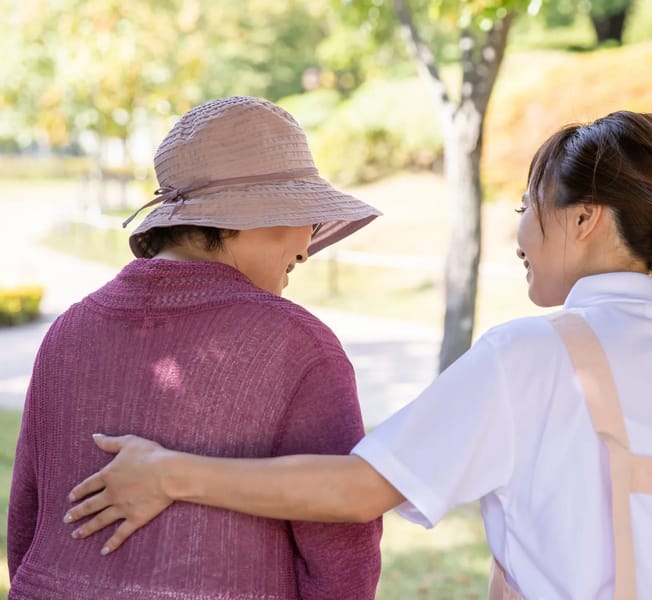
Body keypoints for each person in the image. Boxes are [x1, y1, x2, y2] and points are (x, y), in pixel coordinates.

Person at [64, 111, 652, 599]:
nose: (518, 232)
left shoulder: (532, 356)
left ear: (585, 219)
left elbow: (358, 490)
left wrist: (169, 475)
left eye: (526, 207)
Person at [8, 96, 384, 599]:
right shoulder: (299, 346)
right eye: (304, 218)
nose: (305, 246)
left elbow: (27, 521)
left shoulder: (69, 329)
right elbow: (340, 546)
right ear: (250, 218)